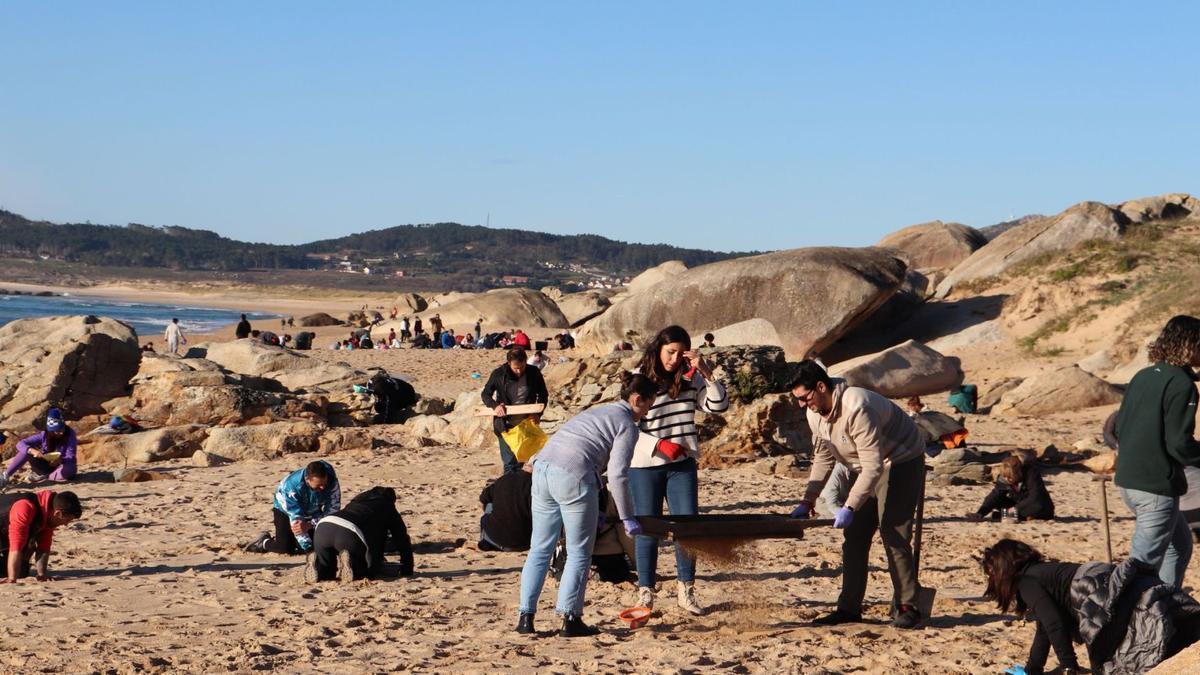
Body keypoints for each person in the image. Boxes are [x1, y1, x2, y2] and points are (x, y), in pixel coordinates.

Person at [516, 371, 657, 637]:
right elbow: (617, 475)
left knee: (539, 549)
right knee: (579, 552)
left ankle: (526, 617)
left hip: (542, 470)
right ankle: (570, 619)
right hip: (574, 477)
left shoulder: (598, 412)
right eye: (649, 404)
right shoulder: (627, 424)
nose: (648, 411)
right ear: (638, 399)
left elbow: (561, 438)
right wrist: (627, 518)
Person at [789, 359, 927, 629]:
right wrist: (808, 499)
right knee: (855, 537)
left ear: (820, 387)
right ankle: (849, 608)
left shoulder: (857, 407)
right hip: (863, 466)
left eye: (805, 398)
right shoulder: (813, 412)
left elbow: (875, 466)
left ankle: (909, 607)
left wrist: (849, 506)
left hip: (899, 460)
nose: (802, 405)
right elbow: (823, 455)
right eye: (798, 400)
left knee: (893, 532)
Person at [981, 538, 1200, 675]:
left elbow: (1054, 624)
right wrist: (1033, 668)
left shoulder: (1027, 581)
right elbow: (1045, 627)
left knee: (1120, 654)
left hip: (1095, 591)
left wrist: (1069, 666)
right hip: (1100, 579)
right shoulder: (1043, 572)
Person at [629, 325, 729, 616]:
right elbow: (629, 422)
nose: (673, 358)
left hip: (682, 465)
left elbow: (717, 406)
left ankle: (686, 590)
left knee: (688, 529)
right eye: (669, 352)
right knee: (647, 529)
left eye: (679, 353)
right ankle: (645, 593)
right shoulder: (641, 377)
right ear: (658, 349)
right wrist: (658, 444)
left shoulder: (691, 377)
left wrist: (708, 374)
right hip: (646, 464)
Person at [1113, 315, 1200, 588]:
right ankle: (1128, 620)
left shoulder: (1142, 376)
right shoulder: (1182, 384)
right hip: (1155, 489)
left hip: (1129, 482)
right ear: (1188, 346)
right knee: (1140, 568)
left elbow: (1118, 428)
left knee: (1179, 547)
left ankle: (1165, 605)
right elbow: (1179, 443)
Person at [312, 486, 414, 581]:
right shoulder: (387, 506)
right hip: (349, 532)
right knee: (361, 571)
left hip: (323, 527)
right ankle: (351, 566)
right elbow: (401, 539)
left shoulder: (356, 501)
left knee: (326, 570)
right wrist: (407, 568)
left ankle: (319, 569)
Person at [245, 461, 341, 555]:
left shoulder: (331, 480)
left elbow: (332, 513)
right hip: (285, 510)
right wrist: (309, 549)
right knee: (285, 547)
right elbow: (297, 523)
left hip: (313, 509)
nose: (322, 488)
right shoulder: (290, 487)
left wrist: (310, 525)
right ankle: (263, 542)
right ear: (307, 479)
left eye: (324, 484)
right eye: (318, 486)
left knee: (317, 544)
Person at [482, 348, 549, 475]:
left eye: (522, 367)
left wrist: (537, 414)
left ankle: (517, 490)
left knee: (521, 460)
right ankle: (510, 491)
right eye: (515, 368)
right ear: (509, 363)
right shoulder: (499, 374)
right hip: (505, 424)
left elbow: (543, 395)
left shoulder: (534, 373)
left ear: (525, 362)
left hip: (526, 423)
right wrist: (495, 406)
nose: (519, 371)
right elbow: (485, 394)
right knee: (509, 463)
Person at [0, 490, 82, 583]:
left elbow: (43, 548)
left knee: (22, 571)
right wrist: (12, 578)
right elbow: (16, 546)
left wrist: (42, 574)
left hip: (4, 535)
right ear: (57, 513)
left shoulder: (48, 514)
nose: (66, 524)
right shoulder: (25, 507)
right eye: (67, 520)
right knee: (16, 567)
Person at [969, 454, 1055, 522]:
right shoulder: (1004, 478)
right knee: (997, 500)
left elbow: (1035, 497)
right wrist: (980, 513)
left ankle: (1005, 515)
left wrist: (1015, 508)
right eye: (1005, 477)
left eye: (1010, 477)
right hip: (1019, 504)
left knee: (1037, 504)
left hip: (1039, 507)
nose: (1007, 479)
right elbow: (995, 495)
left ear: (1018, 473)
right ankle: (1015, 516)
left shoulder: (1031, 473)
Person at [2, 409, 78, 486]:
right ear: (51, 431)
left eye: (62, 429)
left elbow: (70, 455)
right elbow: (20, 444)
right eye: (57, 431)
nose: (61, 432)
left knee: (71, 469)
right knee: (24, 451)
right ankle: (6, 475)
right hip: (44, 464)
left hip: (61, 465)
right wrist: (32, 451)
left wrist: (60, 459)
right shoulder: (44, 435)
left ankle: (47, 476)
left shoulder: (70, 434)